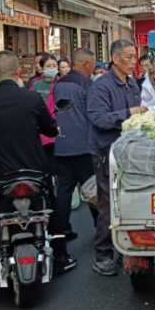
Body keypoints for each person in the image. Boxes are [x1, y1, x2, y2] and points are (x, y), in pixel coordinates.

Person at [0, 51, 73, 289]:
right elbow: (50, 130)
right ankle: (61, 256)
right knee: (51, 206)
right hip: (34, 172)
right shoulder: (31, 100)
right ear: (19, 72)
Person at [87, 39, 144, 277]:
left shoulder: (132, 85)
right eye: (129, 57)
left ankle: (125, 246)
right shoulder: (100, 87)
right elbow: (98, 119)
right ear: (115, 58)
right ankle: (103, 255)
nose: (133, 62)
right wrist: (128, 114)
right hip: (106, 151)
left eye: (135, 57)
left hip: (129, 151)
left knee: (130, 200)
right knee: (109, 204)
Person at [52, 48, 97, 237]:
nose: (93, 68)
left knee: (64, 189)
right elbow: (94, 115)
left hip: (62, 144)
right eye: (93, 64)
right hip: (84, 145)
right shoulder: (87, 84)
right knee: (93, 189)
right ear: (86, 63)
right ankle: (100, 227)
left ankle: (62, 228)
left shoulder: (59, 84)